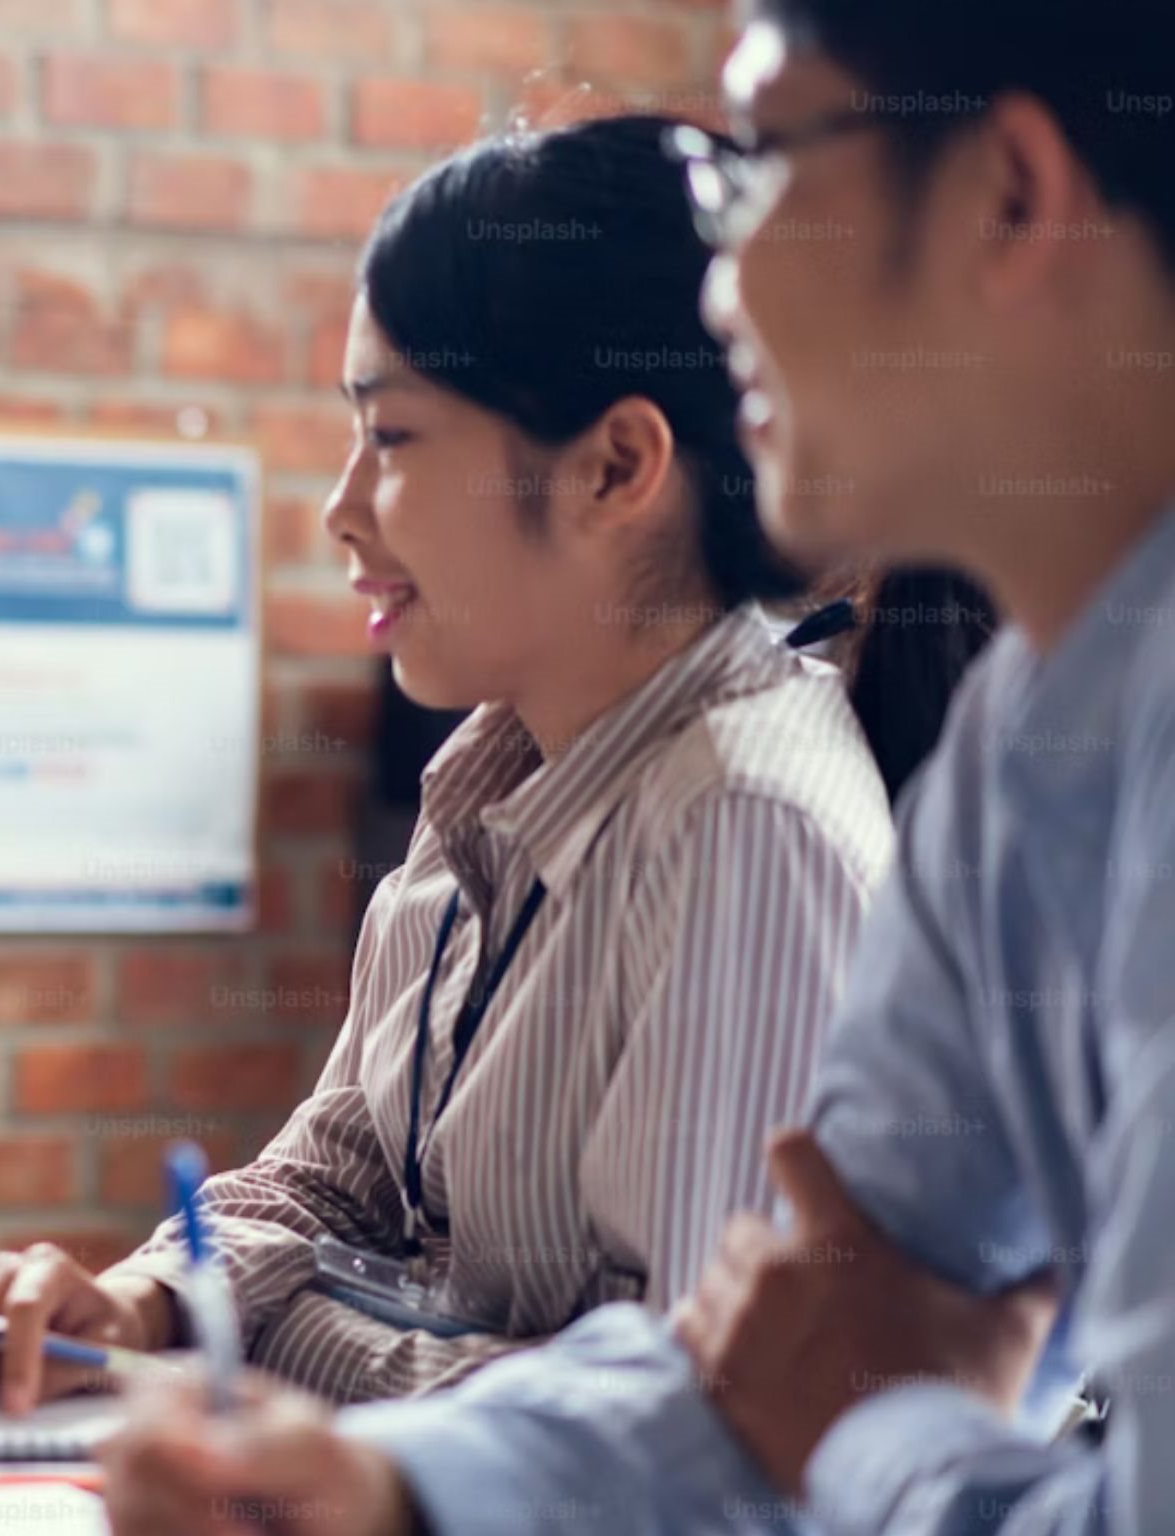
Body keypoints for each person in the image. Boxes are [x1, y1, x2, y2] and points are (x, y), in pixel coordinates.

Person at [96, 1, 1175, 1531]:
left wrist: (870, 1439)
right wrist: (384, 1488)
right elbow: (759, 1370)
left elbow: (845, 1413)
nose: (721, 294)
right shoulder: (1029, 735)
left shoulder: (770, 797)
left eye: (762, 174)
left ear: (1007, 194)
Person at [0, 113, 990, 1411]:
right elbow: (335, 1174)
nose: (339, 511)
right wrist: (149, 1298)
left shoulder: (744, 825)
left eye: (390, 442)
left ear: (615, 468)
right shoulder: (492, 774)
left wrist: (270, 1338)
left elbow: (687, 1428)